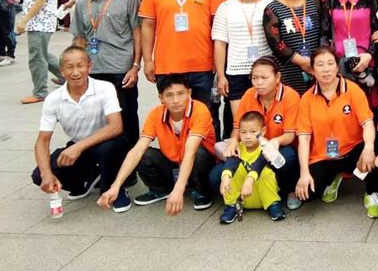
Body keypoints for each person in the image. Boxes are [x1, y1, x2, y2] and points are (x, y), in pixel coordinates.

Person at [139, 0, 225, 135]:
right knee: (173, 117)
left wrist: (218, 61)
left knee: (206, 115)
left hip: (202, 65)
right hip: (168, 65)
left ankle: (206, 153)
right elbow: (148, 26)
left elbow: (218, 27)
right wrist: (148, 60)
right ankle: (175, 152)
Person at [99, 74, 216, 214]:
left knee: (199, 154)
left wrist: (178, 190)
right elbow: (137, 150)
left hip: (200, 162)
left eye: (181, 94)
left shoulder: (200, 110)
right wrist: (116, 186)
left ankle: (202, 191)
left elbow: (191, 151)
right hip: (173, 160)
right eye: (169, 95)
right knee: (144, 154)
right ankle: (162, 190)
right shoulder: (155, 114)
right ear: (161, 98)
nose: (176, 100)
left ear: (189, 93)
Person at [31, 46, 130, 211]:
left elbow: (116, 126)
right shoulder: (53, 99)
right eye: (69, 67)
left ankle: (115, 189)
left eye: (80, 66)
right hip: (79, 147)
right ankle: (87, 180)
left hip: (107, 142)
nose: (75, 72)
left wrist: (79, 146)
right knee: (38, 175)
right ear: (61, 71)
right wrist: (45, 173)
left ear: (89, 66)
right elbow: (42, 141)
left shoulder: (105, 88)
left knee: (109, 148)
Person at [295, 47, 378, 216]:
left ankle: (372, 193)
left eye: (330, 63)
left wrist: (369, 147)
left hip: (352, 150)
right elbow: (304, 138)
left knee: (374, 147)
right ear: (312, 70)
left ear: (337, 67)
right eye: (320, 65)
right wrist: (304, 173)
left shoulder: (353, 90)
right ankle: (334, 177)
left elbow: (367, 123)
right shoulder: (306, 99)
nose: (326, 69)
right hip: (324, 156)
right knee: (308, 194)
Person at [210, 57, 302, 211]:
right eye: (255, 78)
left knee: (288, 158)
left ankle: (288, 190)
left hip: (277, 149)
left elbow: (290, 135)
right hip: (250, 150)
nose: (259, 83)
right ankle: (252, 192)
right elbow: (237, 127)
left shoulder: (290, 96)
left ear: (277, 77)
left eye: (264, 78)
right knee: (215, 177)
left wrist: (276, 141)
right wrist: (233, 141)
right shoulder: (249, 95)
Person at [70, 0, 142, 146]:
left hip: (121, 70)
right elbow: (80, 38)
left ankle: (130, 160)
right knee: (97, 121)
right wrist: (77, 69)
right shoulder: (82, 4)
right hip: (93, 71)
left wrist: (135, 66)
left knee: (126, 118)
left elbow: (137, 34)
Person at [212, 0, 272, 139]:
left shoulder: (269, 6)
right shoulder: (226, 7)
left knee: (265, 120)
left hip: (264, 71)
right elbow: (220, 43)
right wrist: (221, 76)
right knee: (241, 123)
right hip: (236, 71)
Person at [263, 0, 329, 95]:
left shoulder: (316, 2)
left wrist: (316, 60)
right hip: (288, 70)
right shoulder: (272, 9)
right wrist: (302, 62)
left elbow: (325, 33)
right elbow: (276, 44)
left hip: (318, 68)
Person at [324, 0, 378, 99]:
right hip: (340, 61)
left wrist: (369, 55)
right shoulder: (330, 0)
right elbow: (324, 33)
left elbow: (376, 30)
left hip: (366, 60)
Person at [217, 110, 285, 223]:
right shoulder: (238, 147)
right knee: (231, 172)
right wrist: (225, 176)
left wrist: (249, 180)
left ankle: (273, 204)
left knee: (266, 172)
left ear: (263, 131)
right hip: (243, 195)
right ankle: (232, 205)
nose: (248, 136)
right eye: (243, 132)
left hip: (262, 193)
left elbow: (259, 164)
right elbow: (231, 162)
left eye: (253, 132)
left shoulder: (266, 147)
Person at [18, 0, 64, 104]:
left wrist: (24, 21)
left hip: (40, 22)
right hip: (38, 22)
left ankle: (40, 92)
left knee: (37, 58)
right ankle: (66, 76)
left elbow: (40, 0)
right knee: (42, 54)